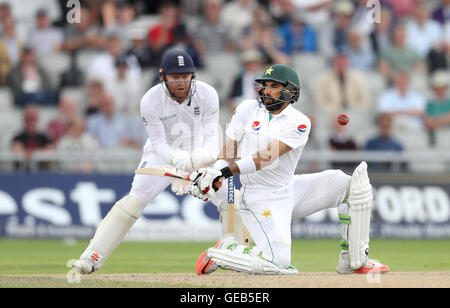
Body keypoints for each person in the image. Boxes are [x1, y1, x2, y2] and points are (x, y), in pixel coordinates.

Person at [190, 64, 389, 275]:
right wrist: (213, 173)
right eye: (264, 85)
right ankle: (228, 247)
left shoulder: (300, 122)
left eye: (274, 86)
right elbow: (228, 151)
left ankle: (353, 260)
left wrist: (223, 173)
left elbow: (267, 157)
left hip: (290, 188)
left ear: (290, 91)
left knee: (348, 184)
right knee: (279, 263)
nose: (266, 90)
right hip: (260, 197)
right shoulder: (246, 109)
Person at [72, 50, 222, 274]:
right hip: (161, 154)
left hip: (200, 152)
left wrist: (202, 158)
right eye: (175, 77)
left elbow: (212, 135)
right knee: (134, 201)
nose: (181, 82)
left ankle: (235, 251)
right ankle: (92, 257)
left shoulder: (208, 94)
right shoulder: (150, 100)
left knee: (230, 198)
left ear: (193, 75)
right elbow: (159, 142)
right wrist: (176, 160)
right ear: (163, 76)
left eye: (185, 76)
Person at [11, 104, 55, 171]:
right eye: (28, 119)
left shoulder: (44, 138)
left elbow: (51, 150)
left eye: (33, 119)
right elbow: (16, 149)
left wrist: (32, 154)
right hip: (22, 174)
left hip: (43, 173)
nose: (31, 122)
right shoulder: (18, 137)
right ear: (24, 120)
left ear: (37, 119)